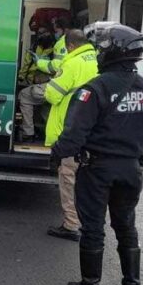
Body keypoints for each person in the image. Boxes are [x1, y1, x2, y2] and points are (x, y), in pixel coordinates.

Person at [50, 23, 143, 285]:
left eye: (101, 48)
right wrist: (137, 158)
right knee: (126, 227)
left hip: (98, 169)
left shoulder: (96, 89)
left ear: (111, 52)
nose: (99, 53)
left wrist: (56, 155)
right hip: (131, 171)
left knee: (93, 228)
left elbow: (75, 134)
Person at [42, 27, 98, 242]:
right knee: (87, 182)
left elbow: (52, 94)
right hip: (93, 132)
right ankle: (89, 221)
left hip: (71, 129)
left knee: (68, 178)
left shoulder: (72, 63)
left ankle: (71, 225)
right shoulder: (98, 61)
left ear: (71, 46)